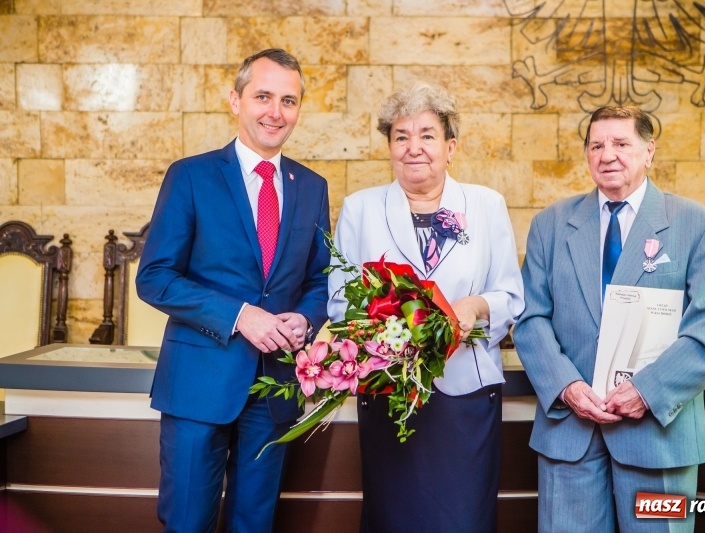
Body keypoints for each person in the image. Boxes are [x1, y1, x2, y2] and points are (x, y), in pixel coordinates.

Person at [136, 48, 331, 532]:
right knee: (187, 522)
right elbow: (155, 276)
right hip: (198, 385)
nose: (275, 111)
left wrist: (306, 318)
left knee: (255, 523)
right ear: (235, 100)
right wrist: (239, 314)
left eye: (288, 100)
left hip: (275, 390)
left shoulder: (312, 186)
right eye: (263, 96)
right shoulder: (191, 176)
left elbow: (320, 279)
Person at [514, 105, 705, 532]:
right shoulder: (551, 226)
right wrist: (567, 387)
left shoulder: (697, 225)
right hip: (569, 434)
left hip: (658, 438)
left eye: (621, 143)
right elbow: (530, 319)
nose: (607, 154)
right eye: (596, 145)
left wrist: (645, 390)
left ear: (649, 151)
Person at [328, 82, 524, 533]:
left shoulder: (486, 205)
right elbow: (340, 302)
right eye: (401, 136)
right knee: (392, 517)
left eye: (427, 135)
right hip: (388, 394)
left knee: (464, 519)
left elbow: (511, 295)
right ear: (389, 147)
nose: (414, 148)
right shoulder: (360, 209)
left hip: (466, 395)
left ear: (450, 146)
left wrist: (473, 306)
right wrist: (387, 337)